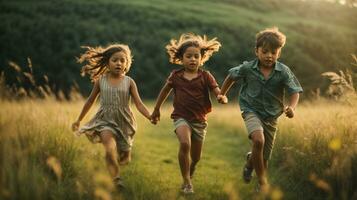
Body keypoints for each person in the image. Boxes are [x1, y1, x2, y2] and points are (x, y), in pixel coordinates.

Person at [218, 27, 303, 193]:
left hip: (271, 117)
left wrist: (291, 108)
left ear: (279, 52)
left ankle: (250, 163)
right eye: (265, 51)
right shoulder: (248, 68)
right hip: (250, 110)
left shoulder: (283, 71)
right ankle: (263, 183)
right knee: (258, 140)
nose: (269, 56)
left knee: (263, 157)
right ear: (256, 51)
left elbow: (295, 91)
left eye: (274, 52)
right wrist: (222, 94)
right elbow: (231, 76)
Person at [151, 33, 226, 194]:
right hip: (181, 117)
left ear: (201, 58)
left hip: (199, 120)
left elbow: (216, 89)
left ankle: (189, 172)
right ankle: (186, 182)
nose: (192, 59)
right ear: (181, 58)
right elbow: (164, 92)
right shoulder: (176, 76)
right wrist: (156, 109)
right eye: (188, 56)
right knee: (185, 143)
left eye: (196, 56)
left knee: (196, 157)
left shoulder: (205, 76)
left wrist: (221, 96)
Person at [71, 44, 151, 188]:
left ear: (127, 64)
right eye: (115, 60)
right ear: (108, 62)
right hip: (105, 121)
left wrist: (150, 116)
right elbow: (90, 101)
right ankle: (116, 179)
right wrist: (79, 119)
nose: (119, 63)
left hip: (124, 122)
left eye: (122, 60)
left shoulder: (129, 82)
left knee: (124, 159)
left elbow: (139, 104)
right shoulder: (101, 81)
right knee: (109, 148)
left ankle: (123, 155)